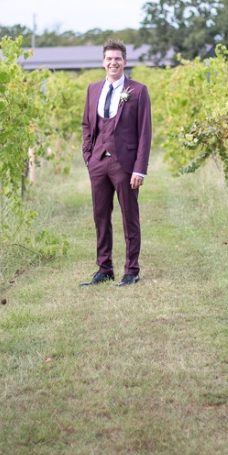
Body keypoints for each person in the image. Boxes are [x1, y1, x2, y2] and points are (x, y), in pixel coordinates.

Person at [80, 39, 152, 287]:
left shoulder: (138, 91)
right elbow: (87, 126)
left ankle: (131, 270)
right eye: (109, 58)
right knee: (100, 216)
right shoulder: (92, 89)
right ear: (103, 62)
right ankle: (104, 268)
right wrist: (88, 157)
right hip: (98, 163)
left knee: (129, 217)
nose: (113, 62)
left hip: (125, 164)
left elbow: (145, 133)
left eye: (118, 58)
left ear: (125, 62)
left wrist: (139, 168)